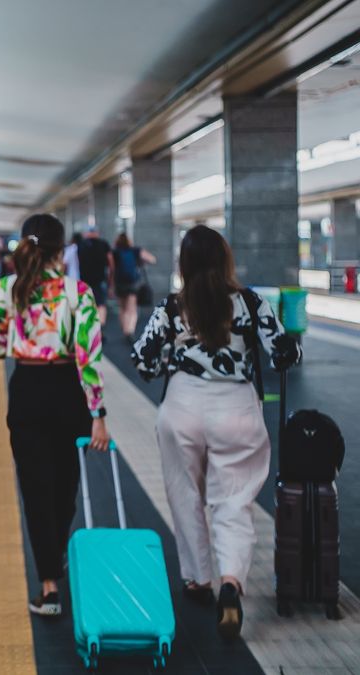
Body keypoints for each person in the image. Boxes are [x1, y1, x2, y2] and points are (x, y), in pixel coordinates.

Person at [131, 225, 301, 641]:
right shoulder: (251, 303)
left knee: (185, 494)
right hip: (236, 408)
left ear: (183, 264)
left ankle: (198, 579)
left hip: (183, 407)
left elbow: (144, 362)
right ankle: (231, 582)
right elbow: (285, 354)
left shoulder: (172, 307)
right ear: (226, 260)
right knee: (235, 500)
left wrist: (176, 355)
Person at [0, 213, 110, 618]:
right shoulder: (79, 293)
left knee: (35, 489)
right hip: (68, 392)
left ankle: (48, 587)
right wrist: (98, 413)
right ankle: (54, 556)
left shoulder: (7, 289)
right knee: (65, 487)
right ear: (62, 251)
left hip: (27, 389)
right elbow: (88, 357)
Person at [111, 233, 157, 340]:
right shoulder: (135, 250)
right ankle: (129, 331)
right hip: (132, 283)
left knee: (122, 308)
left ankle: (124, 328)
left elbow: (111, 269)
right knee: (131, 309)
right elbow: (152, 259)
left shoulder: (115, 252)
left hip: (119, 283)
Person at [76, 227, 114, 324]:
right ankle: (100, 326)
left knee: (85, 304)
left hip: (84, 280)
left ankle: (88, 325)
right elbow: (111, 263)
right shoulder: (103, 244)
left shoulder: (81, 244)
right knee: (101, 304)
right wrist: (110, 280)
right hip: (100, 279)